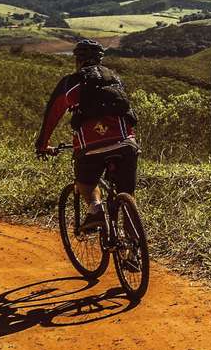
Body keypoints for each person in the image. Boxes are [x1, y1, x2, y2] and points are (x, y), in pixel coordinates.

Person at [35, 39, 140, 236]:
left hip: (90, 148)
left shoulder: (69, 83)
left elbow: (52, 115)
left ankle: (96, 211)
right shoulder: (114, 78)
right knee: (128, 194)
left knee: (85, 180)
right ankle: (134, 251)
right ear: (100, 62)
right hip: (126, 143)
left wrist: (43, 145)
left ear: (76, 62)